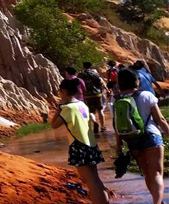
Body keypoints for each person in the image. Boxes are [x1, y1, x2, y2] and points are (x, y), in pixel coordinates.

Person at [114, 68, 169, 204]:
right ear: (136, 81)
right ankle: (157, 202)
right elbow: (160, 119)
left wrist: (118, 145)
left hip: (133, 140)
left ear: (119, 83)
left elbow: (116, 125)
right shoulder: (146, 95)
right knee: (156, 173)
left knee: (147, 174)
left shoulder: (117, 101)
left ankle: (158, 202)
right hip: (152, 136)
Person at [51, 78, 109, 204]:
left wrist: (59, 108)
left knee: (90, 182)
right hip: (91, 144)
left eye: (60, 92)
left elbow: (54, 125)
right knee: (96, 179)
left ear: (64, 91)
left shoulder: (68, 109)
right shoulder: (82, 105)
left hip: (78, 146)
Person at [79, 62, 107, 134]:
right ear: (91, 66)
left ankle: (94, 122)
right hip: (97, 94)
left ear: (83, 66)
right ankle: (103, 127)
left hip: (87, 95)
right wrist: (106, 89)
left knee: (91, 112)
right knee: (100, 110)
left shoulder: (81, 75)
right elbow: (100, 82)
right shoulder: (95, 73)